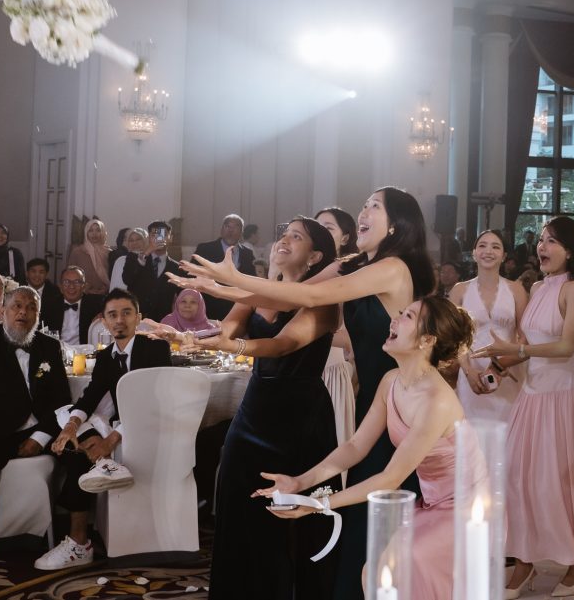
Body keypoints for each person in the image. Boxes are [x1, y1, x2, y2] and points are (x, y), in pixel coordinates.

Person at [180, 186, 434, 600]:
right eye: (364, 204)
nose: (363, 211)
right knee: (361, 531)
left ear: (396, 226)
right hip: (376, 403)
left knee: (376, 532)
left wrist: (230, 279)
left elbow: (310, 297)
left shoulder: (393, 268)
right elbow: (288, 297)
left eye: (375, 206)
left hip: (402, 405)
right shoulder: (356, 265)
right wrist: (222, 289)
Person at [255, 296, 475, 600]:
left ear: (427, 340)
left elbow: (390, 479)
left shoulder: (436, 401)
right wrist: (299, 483)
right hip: (432, 501)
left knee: (385, 571)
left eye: (408, 317)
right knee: (377, 573)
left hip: (465, 506)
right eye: (401, 313)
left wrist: (319, 504)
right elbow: (356, 446)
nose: (394, 320)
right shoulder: (391, 381)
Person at [178, 218, 340, 600]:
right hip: (254, 410)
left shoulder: (324, 303)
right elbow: (224, 330)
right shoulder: (257, 293)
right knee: (238, 501)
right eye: (283, 234)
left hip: (300, 416)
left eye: (296, 237)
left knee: (295, 513)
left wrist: (231, 347)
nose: (284, 240)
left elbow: (282, 345)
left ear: (315, 256)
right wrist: (187, 336)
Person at [473, 216, 574, 598]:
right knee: (518, 479)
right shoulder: (539, 286)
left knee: (561, 483)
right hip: (531, 397)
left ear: (570, 250)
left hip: (564, 398)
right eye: (542, 240)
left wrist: (516, 349)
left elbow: (565, 347)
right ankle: (524, 559)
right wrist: (495, 368)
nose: (542, 247)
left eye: (552, 241)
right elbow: (526, 346)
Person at [46, 289, 172, 569]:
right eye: (112, 315)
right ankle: (103, 466)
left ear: (138, 318)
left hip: (153, 427)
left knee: (79, 454)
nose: (120, 320)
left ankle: (79, 542)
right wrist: (71, 427)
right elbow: (89, 398)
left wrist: (111, 440)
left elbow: (153, 403)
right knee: (71, 434)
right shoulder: (105, 358)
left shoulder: (155, 349)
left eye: (126, 313)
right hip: (123, 426)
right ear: (103, 321)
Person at [0, 287, 72, 568]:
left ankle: (76, 535)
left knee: (79, 453)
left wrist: (40, 437)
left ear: (38, 315)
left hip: (42, 428)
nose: (23, 312)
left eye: (31, 308)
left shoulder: (49, 346)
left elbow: (61, 401)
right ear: (2, 312)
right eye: (17, 306)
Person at [450, 229, 527, 424]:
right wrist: (468, 371)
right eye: (482, 246)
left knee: (508, 433)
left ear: (504, 255)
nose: (488, 251)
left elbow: (525, 337)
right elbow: (453, 338)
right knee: (472, 434)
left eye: (495, 247)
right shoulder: (459, 290)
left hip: (508, 371)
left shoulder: (516, 289)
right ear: (474, 253)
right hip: (471, 371)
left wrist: (500, 366)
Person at [315, 207, 360, 450]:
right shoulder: (302, 271)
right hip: (297, 369)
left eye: (328, 228)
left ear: (345, 238)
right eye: (316, 227)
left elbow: (351, 336)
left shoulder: (349, 274)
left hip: (330, 371)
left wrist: (306, 334)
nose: (320, 232)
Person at [194, 214, 258, 320]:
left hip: (238, 310)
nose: (230, 230)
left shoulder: (248, 254)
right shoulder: (205, 249)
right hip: (210, 308)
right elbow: (193, 275)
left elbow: (252, 281)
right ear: (221, 229)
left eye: (235, 227)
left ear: (241, 232)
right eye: (227, 226)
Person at [123, 220, 184, 322]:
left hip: (163, 321)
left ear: (171, 238)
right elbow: (127, 279)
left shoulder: (177, 268)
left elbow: (182, 297)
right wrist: (145, 254)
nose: (159, 238)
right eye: (154, 235)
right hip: (137, 318)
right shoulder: (134, 258)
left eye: (163, 234)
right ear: (148, 238)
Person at [40, 266, 105, 345]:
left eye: (77, 282)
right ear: (60, 287)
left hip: (85, 351)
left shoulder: (95, 304)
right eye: (66, 282)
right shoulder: (49, 306)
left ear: (84, 286)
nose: (71, 286)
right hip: (56, 351)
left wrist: (104, 315)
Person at [67, 219, 111, 295]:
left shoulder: (109, 253)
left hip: (105, 294)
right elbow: (70, 274)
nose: (94, 234)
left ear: (103, 232)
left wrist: (106, 289)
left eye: (98, 230)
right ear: (86, 233)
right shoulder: (77, 252)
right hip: (82, 293)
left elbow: (112, 276)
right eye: (90, 230)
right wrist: (84, 288)